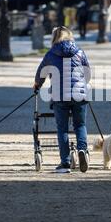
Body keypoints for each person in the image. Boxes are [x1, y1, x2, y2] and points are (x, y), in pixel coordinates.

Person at [33, 26, 91, 173]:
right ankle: (82, 150)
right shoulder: (79, 52)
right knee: (80, 125)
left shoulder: (51, 54)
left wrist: (37, 86)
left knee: (62, 128)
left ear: (54, 38)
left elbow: (41, 73)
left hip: (60, 96)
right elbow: (87, 73)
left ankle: (65, 163)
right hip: (80, 94)